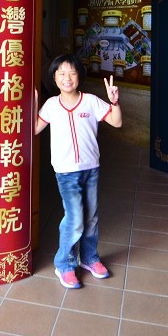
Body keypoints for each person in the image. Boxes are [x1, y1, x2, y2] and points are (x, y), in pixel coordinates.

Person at [34, 52, 122, 289]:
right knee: (74, 219)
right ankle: (64, 264)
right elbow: (33, 129)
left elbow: (116, 121)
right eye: (61, 73)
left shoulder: (91, 101)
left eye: (71, 72)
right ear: (54, 78)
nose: (67, 77)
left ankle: (90, 258)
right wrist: (30, 104)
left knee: (91, 218)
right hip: (65, 172)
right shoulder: (52, 105)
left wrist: (114, 101)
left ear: (79, 76)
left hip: (91, 168)